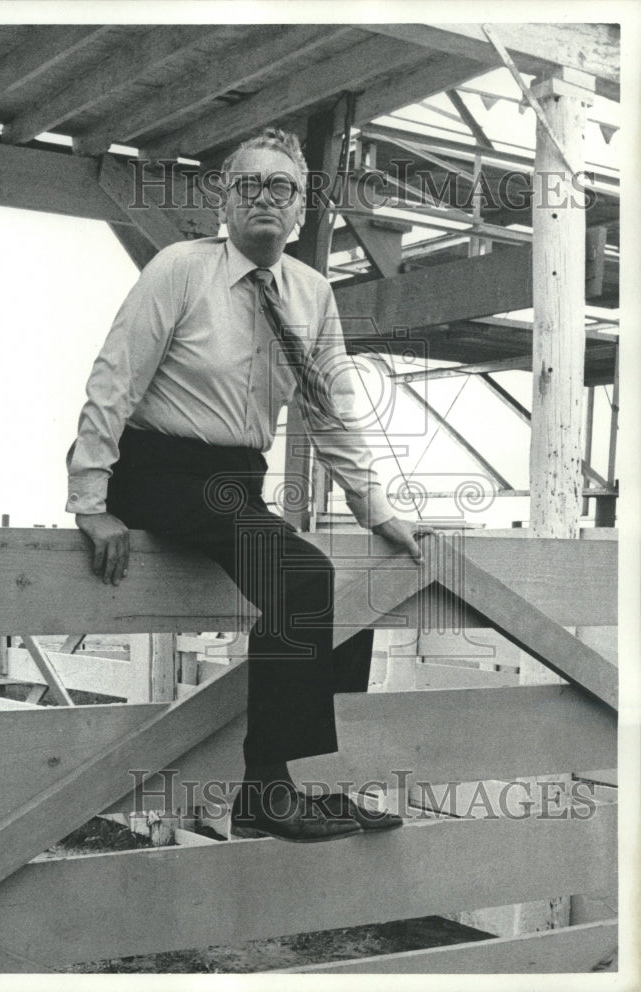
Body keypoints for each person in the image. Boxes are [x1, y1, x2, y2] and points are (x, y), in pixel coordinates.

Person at [67, 127, 429, 842]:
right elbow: (115, 379)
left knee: (331, 598)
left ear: (300, 209)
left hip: (234, 482)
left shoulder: (311, 293)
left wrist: (374, 508)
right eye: (249, 185)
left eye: (281, 188)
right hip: (158, 469)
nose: (265, 198)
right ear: (222, 201)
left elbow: (329, 411)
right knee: (302, 580)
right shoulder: (179, 269)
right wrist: (89, 500)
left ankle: (292, 780)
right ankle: (265, 791)